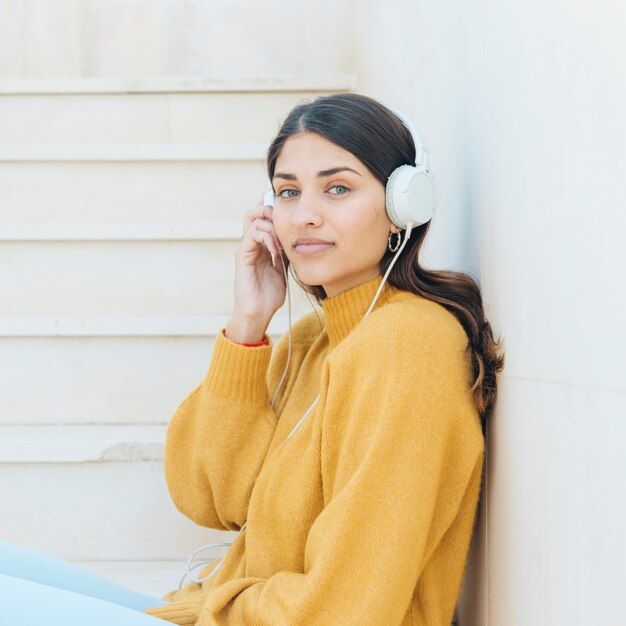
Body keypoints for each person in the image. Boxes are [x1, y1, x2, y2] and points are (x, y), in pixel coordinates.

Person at [143, 92, 505, 625]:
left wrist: (219, 605)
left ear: (404, 205)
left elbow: (343, 608)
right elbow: (209, 495)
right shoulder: (318, 337)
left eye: (338, 188)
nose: (304, 216)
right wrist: (247, 325)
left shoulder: (409, 344)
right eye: (288, 192)